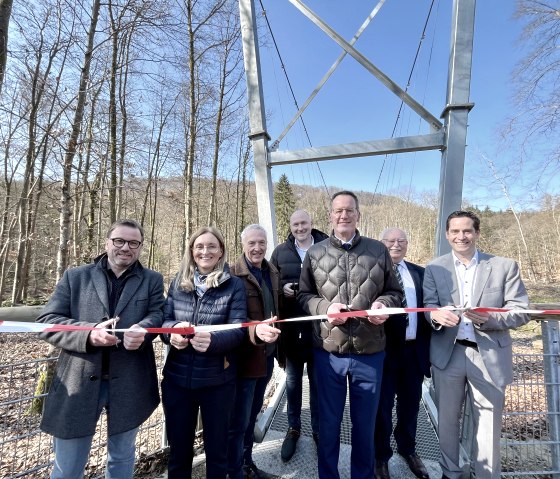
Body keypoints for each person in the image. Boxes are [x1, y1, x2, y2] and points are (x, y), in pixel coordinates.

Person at [36, 219, 165, 479]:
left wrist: (143, 330)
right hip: (78, 381)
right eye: (119, 241)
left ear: (140, 247)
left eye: (133, 243)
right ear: (107, 242)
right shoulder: (76, 277)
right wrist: (89, 334)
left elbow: (158, 314)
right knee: (68, 465)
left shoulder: (152, 279)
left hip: (130, 382)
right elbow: (47, 322)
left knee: (122, 458)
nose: (125, 248)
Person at [298, 191, 403, 479]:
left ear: (358, 214)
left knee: (365, 424)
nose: (343, 215)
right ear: (330, 215)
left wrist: (384, 305)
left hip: (370, 353)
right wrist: (324, 306)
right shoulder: (315, 253)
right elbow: (303, 295)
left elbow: (396, 293)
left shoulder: (378, 250)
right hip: (328, 352)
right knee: (329, 424)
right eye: (338, 211)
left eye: (349, 210)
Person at [423, 210, 530, 479]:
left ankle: (485, 475)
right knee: (447, 421)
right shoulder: (435, 268)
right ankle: (451, 473)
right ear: (447, 235)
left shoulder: (505, 266)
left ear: (477, 233)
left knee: (489, 425)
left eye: (467, 231)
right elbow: (428, 307)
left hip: (489, 355)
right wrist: (434, 315)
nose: (462, 236)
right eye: (455, 231)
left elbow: (521, 311)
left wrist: (490, 317)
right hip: (449, 355)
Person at [161, 226, 247, 479]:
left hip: (217, 383)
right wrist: (172, 331)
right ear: (191, 251)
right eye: (199, 246)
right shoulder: (178, 282)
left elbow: (239, 330)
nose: (205, 251)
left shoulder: (234, 286)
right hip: (177, 381)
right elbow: (164, 319)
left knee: (217, 452)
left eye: (211, 246)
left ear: (221, 251)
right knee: (178, 453)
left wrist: (213, 341)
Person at [270, 210, 328, 462]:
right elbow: (270, 285)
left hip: (321, 330)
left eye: (304, 223)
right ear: (290, 226)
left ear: (311, 224)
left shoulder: (328, 246)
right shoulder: (280, 252)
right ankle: (293, 428)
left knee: (318, 384)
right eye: (295, 224)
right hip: (292, 331)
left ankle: (318, 430)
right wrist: (283, 290)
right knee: (293, 383)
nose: (300, 228)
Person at [374, 228, 431, 479]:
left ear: (407, 244)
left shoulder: (420, 273)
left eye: (401, 241)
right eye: (390, 241)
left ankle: (408, 449)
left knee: (410, 407)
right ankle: (381, 456)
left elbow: (431, 310)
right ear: (382, 244)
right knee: (382, 408)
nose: (396, 245)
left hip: (413, 352)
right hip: (384, 353)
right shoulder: (372, 272)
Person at [227, 224, 281, 479]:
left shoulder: (272, 272)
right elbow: (230, 318)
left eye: (261, 242)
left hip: (266, 357)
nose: (257, 248)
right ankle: (234, 470)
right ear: (243, 245)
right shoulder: (231, 274)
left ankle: (247, 464)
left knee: (252, 414)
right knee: (239, 420)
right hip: (243, 360)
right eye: (252, 243)